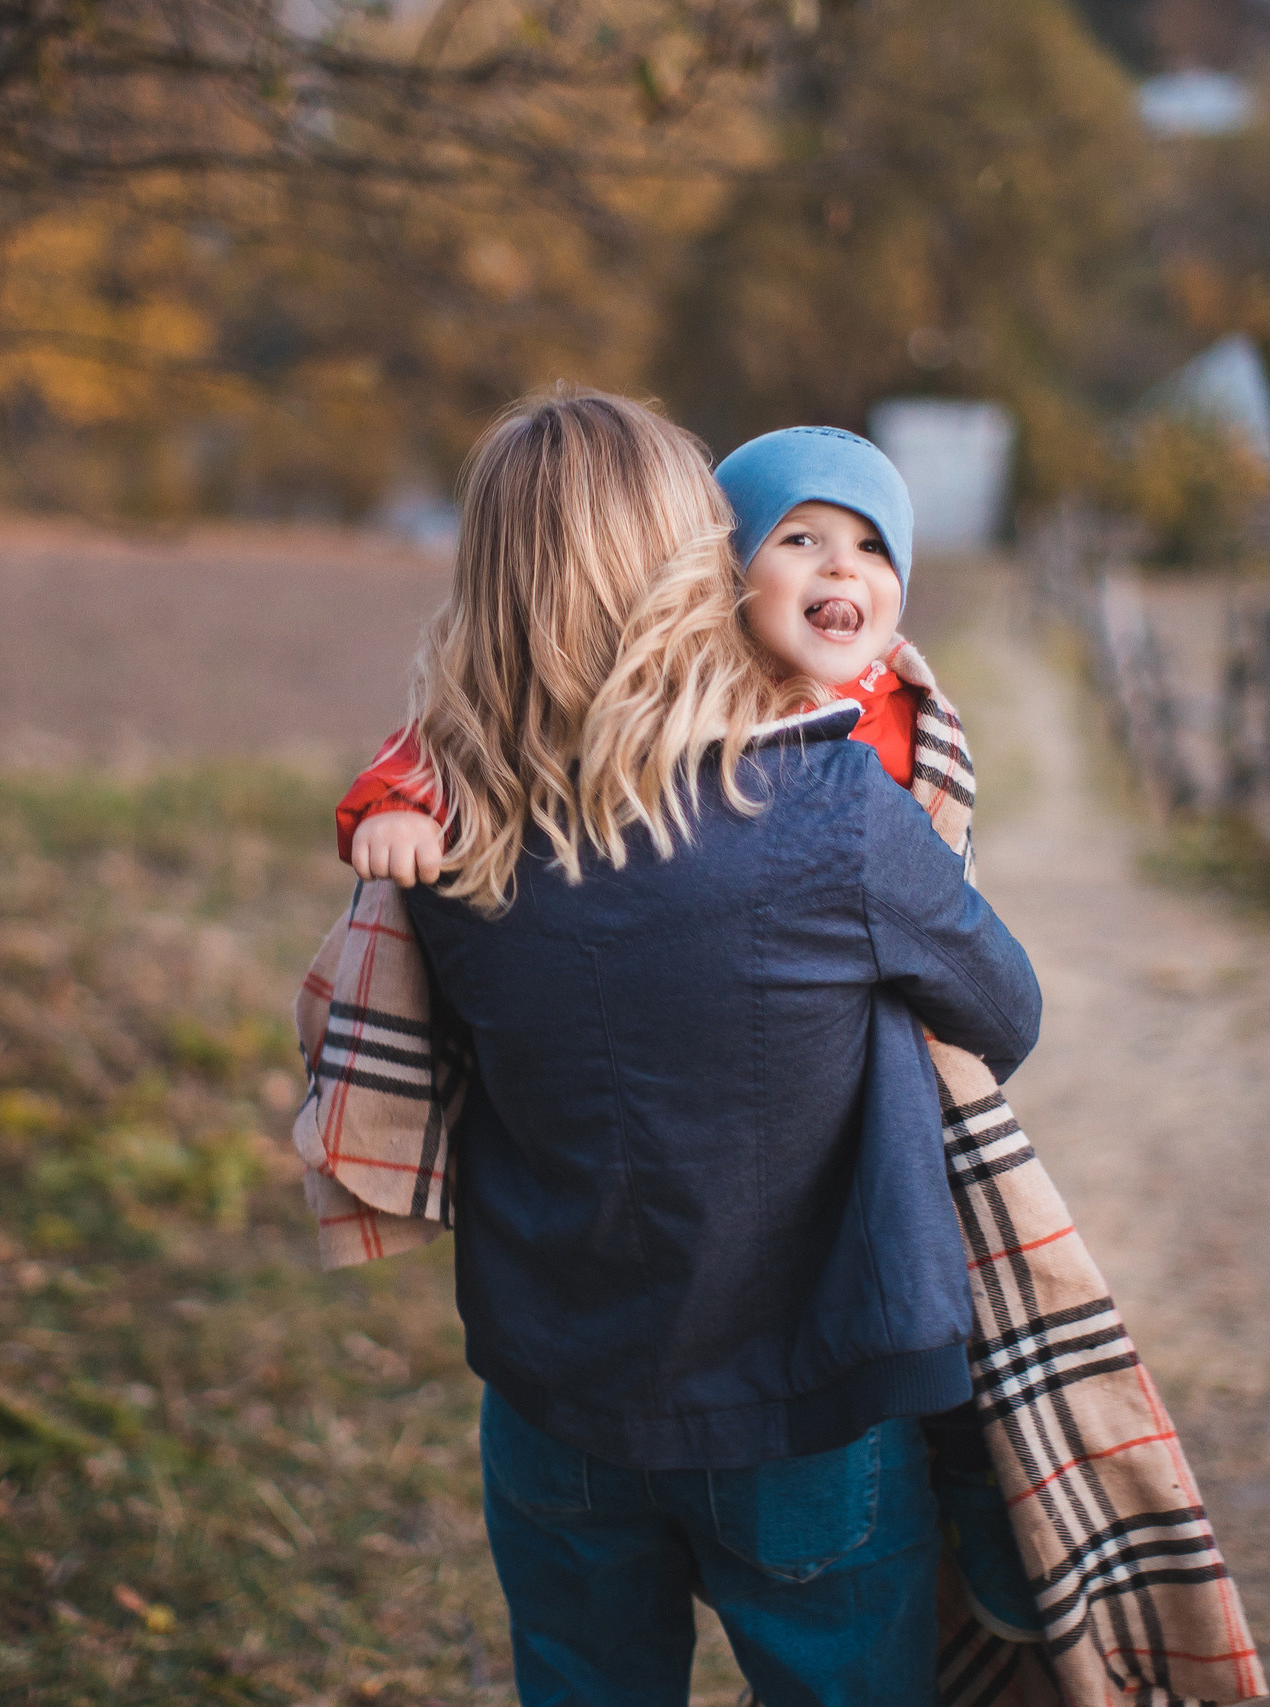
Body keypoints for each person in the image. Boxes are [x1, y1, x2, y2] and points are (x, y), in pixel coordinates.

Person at [318, 388, 1043, 1705]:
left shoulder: (444, 826)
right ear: (692, 569)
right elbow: (1007, 1012)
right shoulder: (834, 804)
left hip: (554, 1401)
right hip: (806, 1411)